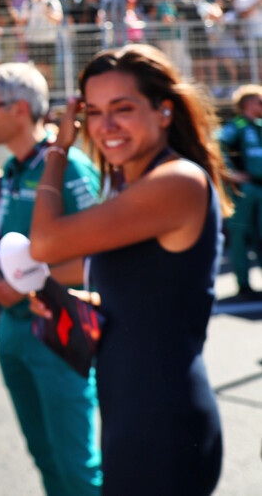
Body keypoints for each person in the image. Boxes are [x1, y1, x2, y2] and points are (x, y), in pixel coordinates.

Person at [27, 44, 226, 495]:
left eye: (123, 109)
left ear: (164, 111)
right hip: (132, 411)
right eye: (94, 112)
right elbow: (146, 286)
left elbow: (45, 242)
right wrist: (75, 304)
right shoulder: (134, 183)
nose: (105, 126)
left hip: (162, 422)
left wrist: (58, 150)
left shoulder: (176, 181)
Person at [0, 63, 102, 496]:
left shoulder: (69, 165)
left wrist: (24, 284)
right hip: (13, 329)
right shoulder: (14, 166)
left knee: (76, 465)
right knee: (44, 455)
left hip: (59, 329)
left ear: (20, 109)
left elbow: (95, 255)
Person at [219, 84, 262, 297]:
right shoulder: (236, 126)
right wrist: (229, 173)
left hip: (260, 188)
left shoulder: (259, 126)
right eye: (259, 101)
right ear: (247, 103)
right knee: (240, 235)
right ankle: (243, 285)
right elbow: (216, 148)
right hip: (244, 190)